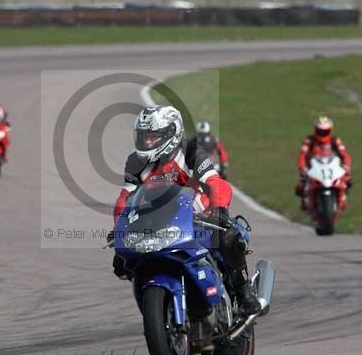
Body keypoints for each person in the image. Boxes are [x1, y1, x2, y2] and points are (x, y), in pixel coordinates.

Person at [111, 105, 261, 317]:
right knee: (125, 261)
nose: (147, 142)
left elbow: (215, 182)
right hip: (156, 221)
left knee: (228, 238)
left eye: (153, 137)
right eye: (144, 137)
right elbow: (125, 198)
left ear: (171, 134)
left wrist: (219, 210)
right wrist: (119, 228)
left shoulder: (191, 151)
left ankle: (244, 292)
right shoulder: (135, 162)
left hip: (200, 215)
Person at [295, 116, 352, 210]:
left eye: (324, 131)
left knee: (347, 179)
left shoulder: (335, 140)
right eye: (320, 131)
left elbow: (344, 154)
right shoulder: (309, 140)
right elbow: (302, 155)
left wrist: (346, 165)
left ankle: (343, 198)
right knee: (301, 185)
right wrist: (302, 167)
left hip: (331, 167)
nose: (322, 133)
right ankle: (305, 201)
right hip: (313, 168)